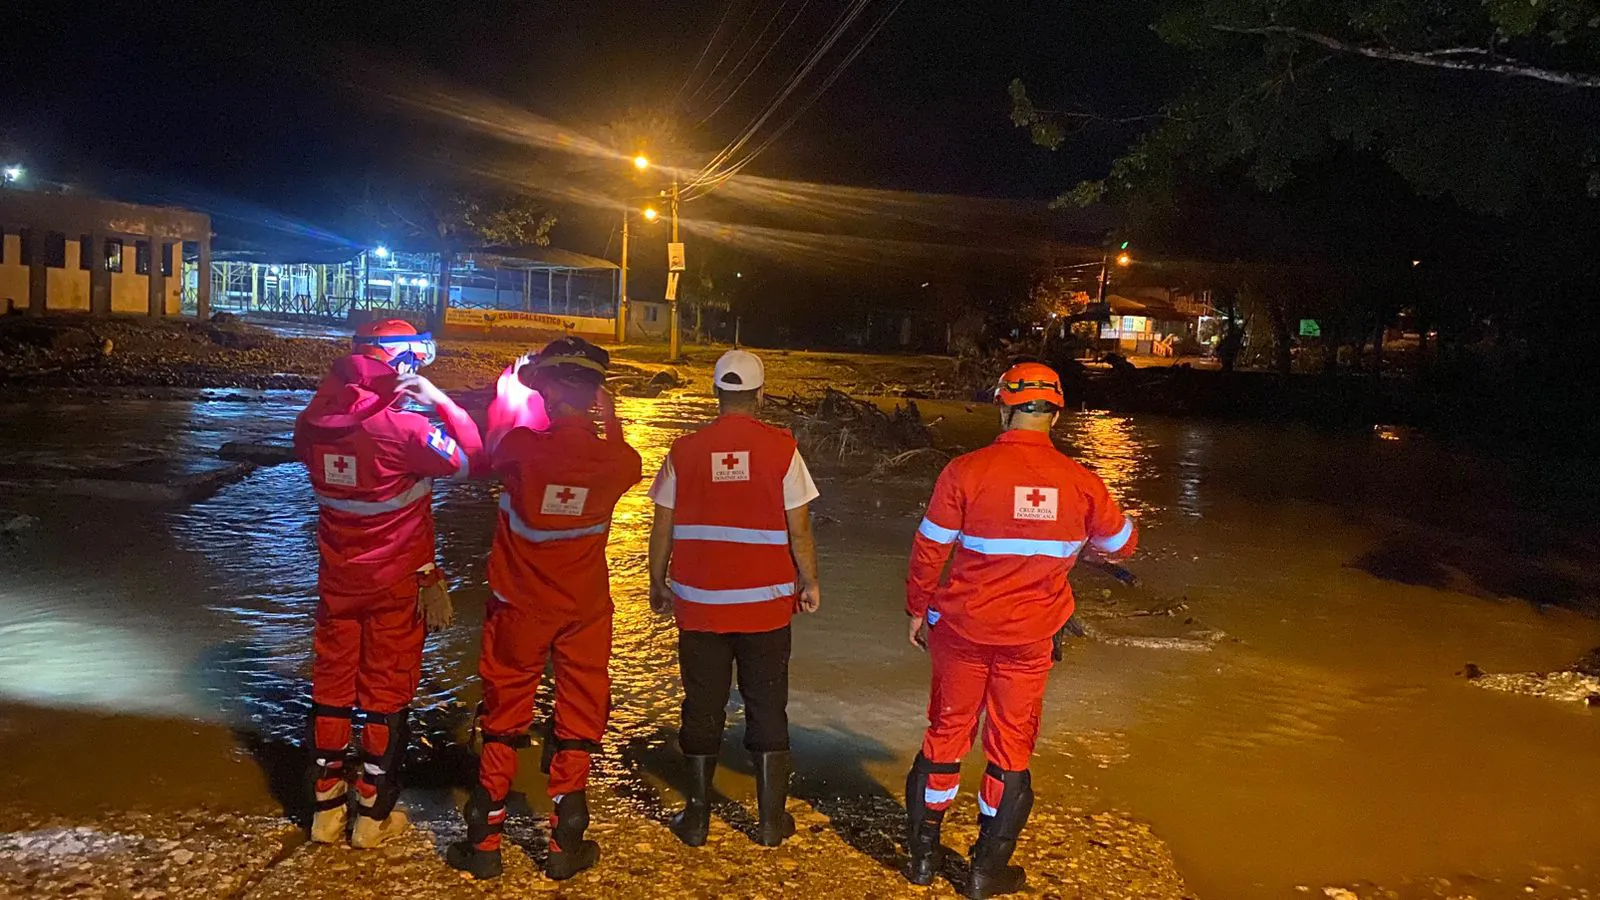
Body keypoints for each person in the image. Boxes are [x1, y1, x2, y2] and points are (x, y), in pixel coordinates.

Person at [902, 361, 1138, 899]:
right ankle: (985, 870)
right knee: (1010, 745)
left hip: (961, 629)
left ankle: (922, 858)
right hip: (1031, 637)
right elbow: (1122, 543)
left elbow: (929, 550)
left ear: (1003, 408)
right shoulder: (1081, 481)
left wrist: (917, 607)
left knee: (947, 729)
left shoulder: (964, 472)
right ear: (1056, 413)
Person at [446, 337, 642, 882]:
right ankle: (564, 845)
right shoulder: (617, 461)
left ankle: (485, 846)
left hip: (519, 608)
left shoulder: (521, 449)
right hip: (584, 611)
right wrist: (609, 422)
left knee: (503, 717)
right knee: (579, 717)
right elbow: (626, 460)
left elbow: (490, 449)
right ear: (596, 395)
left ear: (547, 393)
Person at [293, 318, 481, 848]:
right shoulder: (408, 430)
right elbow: (472, 457)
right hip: (398, 584)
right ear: (401, 366)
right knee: (386, 692)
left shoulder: (311, 423)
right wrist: (439, 399)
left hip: (337, 581)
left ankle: (325, 811)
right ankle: (372, 818)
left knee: (332, 686)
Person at [646, 349, 822, 848]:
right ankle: (768, 823)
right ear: (760, 395)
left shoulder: (683, 451)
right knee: (767, 704)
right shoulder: (782, 450)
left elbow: (662, 525)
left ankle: (697, 819)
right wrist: (809, 581)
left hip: (700, 604)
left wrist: (657, 581)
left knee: (702, 705)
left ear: (716, 393)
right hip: (765, 607)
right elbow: (799, 528)